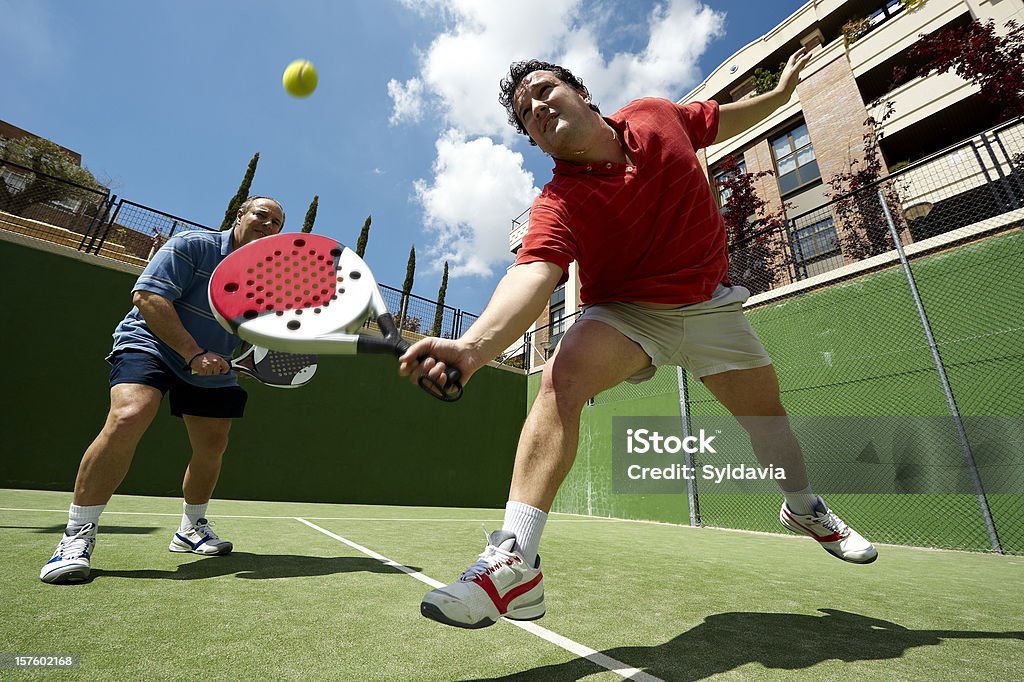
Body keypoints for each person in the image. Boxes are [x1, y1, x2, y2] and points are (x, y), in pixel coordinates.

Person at [400, 49, 877, 629]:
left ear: (584, 95)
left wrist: (780, 97)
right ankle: (516, 563)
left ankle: (804, 509)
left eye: (545, 91)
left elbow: (717, 120)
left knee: (768, 423)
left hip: (710, 307)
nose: (539, 108)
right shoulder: (559, 203)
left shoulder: (656, 115)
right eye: (527, 114)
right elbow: (532, 273)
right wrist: (473, 349)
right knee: (561, 376)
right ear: (537, 142)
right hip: (627, 314)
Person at [40, 196, 286, 584]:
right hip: (152, 343)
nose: (268, 225)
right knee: (130, 414)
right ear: (239, 216)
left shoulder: (265, 284)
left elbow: (248, 333)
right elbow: (148, 297)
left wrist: (245, 357)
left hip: (211, 360)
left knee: (213, 444)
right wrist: (192, 352)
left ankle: (191, 528)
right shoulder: (192, 245)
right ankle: (76, 536)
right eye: (261, 215)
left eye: (276, 223)